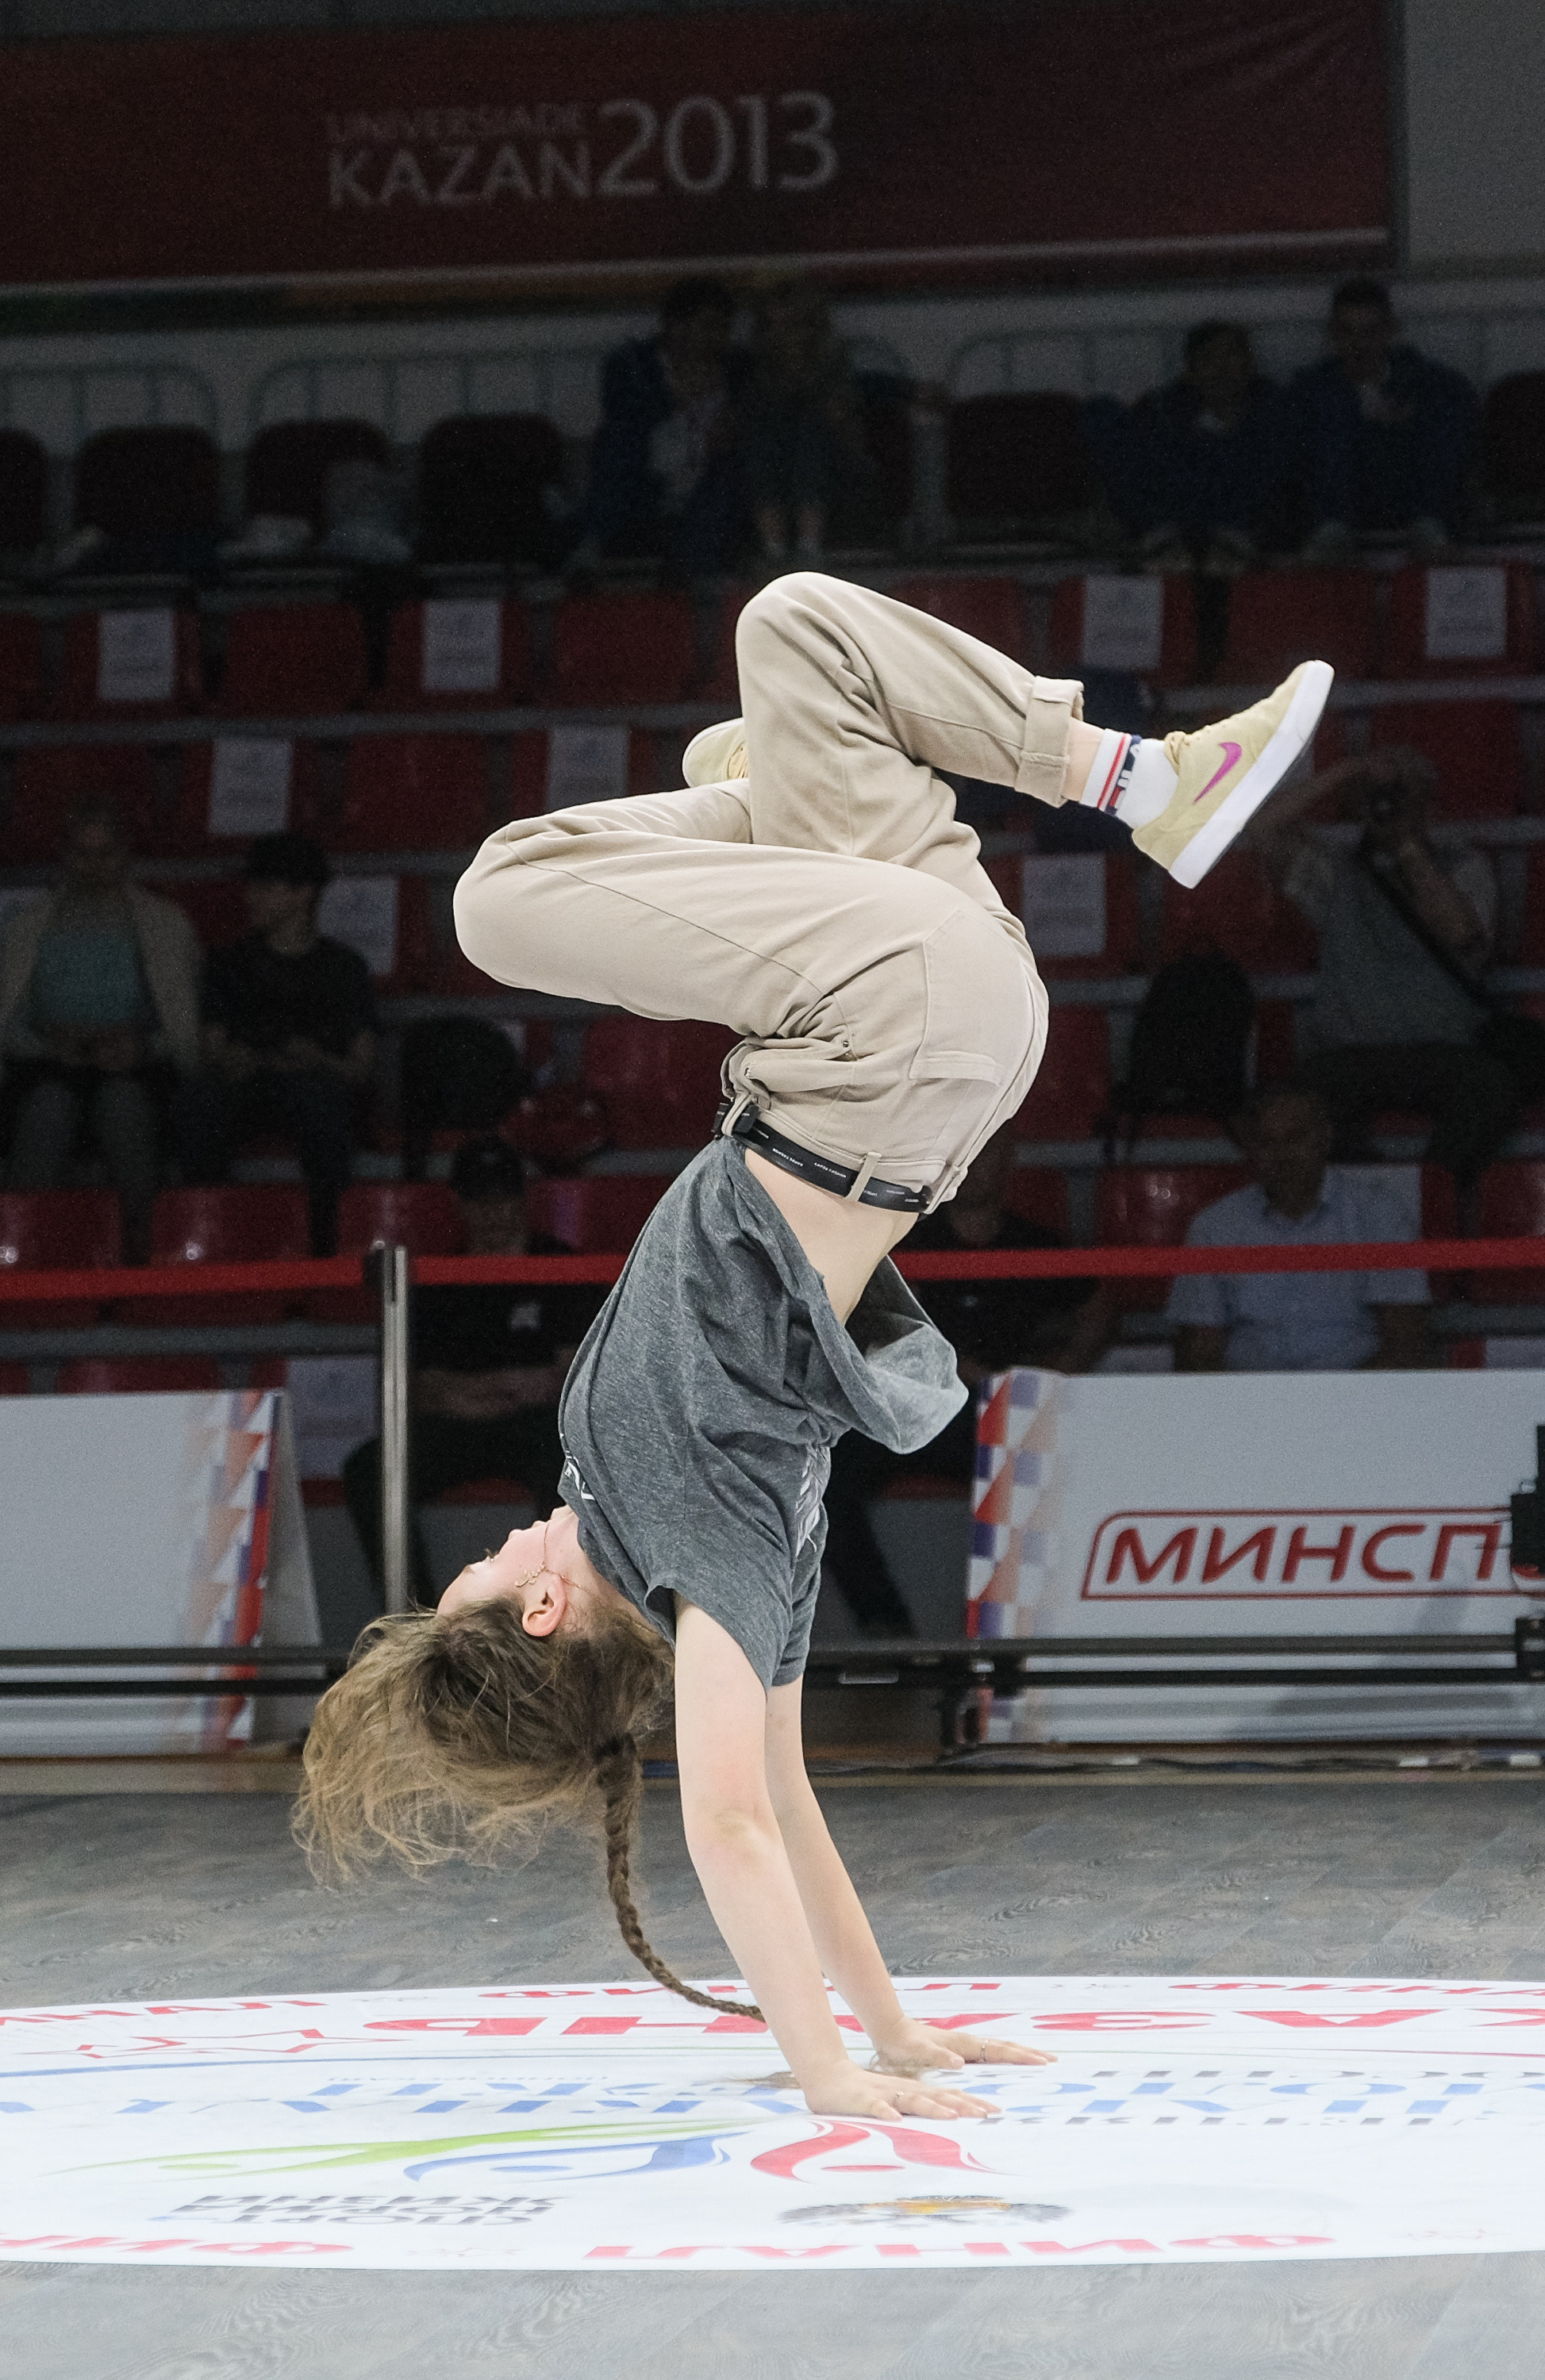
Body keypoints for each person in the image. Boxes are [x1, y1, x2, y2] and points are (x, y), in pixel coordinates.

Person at [297, 568, 1331, 2125]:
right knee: (497, 896)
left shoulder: (660, 1523)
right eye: (498, 1568)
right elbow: (734, 1819)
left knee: (797, 643)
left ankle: (1140, 781)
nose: (509, 1533)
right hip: (886, 1038)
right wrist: (833, 2073)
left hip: (926, 1033)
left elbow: (783, 1796)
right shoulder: (701, 1542)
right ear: (545, 1614)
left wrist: (899, 2035)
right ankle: (800, 795)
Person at [823, 1124, 1111, 1629]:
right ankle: (887, 1629)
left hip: (1005, 1415)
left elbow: (1102, 1307)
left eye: (990, 1154)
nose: (977, 1167)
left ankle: (992, 1641)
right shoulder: (908, 1242)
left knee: (1052, 1482)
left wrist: (1049, 1380)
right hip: (916, 1409)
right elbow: (857, 1318)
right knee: (830, 1479)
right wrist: (942, 1364)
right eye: (968, 1155)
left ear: (1009, 1162)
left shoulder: (1033, 1243)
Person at [341, 1136, 603, 1606]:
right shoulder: (442, 1277)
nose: (493, 1210)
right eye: (480, 1198)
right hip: (458, 1425)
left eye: (503, 1196)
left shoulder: (559, 1265)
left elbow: (567, 1377)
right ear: (461, 1203)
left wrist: (486, 1390)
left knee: (572, 1460)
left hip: (537, 1427)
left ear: (521, 1198)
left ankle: (559, 1607)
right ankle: (411, 1618)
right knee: (368, 1469)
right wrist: (501, 1387)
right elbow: (422, 1389)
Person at [1246, 745, 1516, 1186]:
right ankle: (1372, 1197)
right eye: (1376, 796)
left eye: (1400, 794)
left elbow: (1460, 935)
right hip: (1351, 1054)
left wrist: (1406, 846)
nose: (1387, 803)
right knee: (1305, 1098)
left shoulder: (1464, 866)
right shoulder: (1338, 871)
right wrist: (1347, 772)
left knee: (1491, 1087)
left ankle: (1433, 1193)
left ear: (1428, 805)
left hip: (1441, 1049)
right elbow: (1261, 827)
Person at [0, 797, 201, 1261]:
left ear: (125, 855)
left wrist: (142, 1047)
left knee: (124, 1104)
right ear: (65, 856)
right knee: (48, 1107)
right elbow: (6, 1024)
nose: (94, 866)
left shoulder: (166, 925)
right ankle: (19, 1248)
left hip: (138, 1067)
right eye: (82, 854)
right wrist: (48, 1044)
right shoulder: (26, 929)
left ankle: (145, 1252)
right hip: (47, 1065)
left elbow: (186, 1025)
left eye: (106, 854)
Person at [171, 831, 377, 1257]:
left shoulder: (343, 968)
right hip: (244, 1088)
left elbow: (361, 1067)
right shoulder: (229, 962)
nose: (251, 898)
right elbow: (211, 1049)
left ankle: (327, 1249)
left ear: (304, 893)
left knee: (322, 1107)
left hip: (315, 1088)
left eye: (265, 887)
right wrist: (234, 1059)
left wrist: (317, 1059)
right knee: (198, 1104)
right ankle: (211, 1238)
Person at [1169, 1082, 1430, 1372]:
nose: (1282, 1155)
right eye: (1266, 1142)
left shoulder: (1380, 1215)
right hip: (1249, 1403)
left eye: (1295, 1139)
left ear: (1324, 1139)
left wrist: (1338, 1404)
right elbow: (1199, 1351)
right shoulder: (1215, 1225)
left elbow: (1405, 1343)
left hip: (1356, 1400)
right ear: (1249, 1150)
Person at [575, 277, 752, 578]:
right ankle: (590, 548)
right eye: (708, 326)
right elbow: (628, 418)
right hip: (647, 481)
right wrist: (679, 395)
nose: (717, 338)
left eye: (724, 328)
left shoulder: (738, 370)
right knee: (617, 444)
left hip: (707, 484)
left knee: (730, 474)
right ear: (675, 326)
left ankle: (692, 576)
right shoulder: (633, 364)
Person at [1083, 321, 1296, 573]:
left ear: (1250, 364)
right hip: (1175, 528)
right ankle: (1163, 539)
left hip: (1246, 530)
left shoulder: (1278, 412)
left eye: (1231, 355)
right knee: (1102, 411)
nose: (1222, 369)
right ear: (1191, 373)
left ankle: (1229, 539)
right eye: (1207, 359)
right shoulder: (1165, 415)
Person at [1293, 278, 1478, 559]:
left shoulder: (1433, 384)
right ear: (1332, 334)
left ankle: (1428, 524)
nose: (1359, 344)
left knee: (1442, 401)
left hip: (1411, 492)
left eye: (1370, 331)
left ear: (1390, 330)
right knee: (1329, 407)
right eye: (1347, 332)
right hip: (1344, 500)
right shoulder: (1310, 390)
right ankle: (1333, 530)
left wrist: (1403, 427)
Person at [741, 278, 878, 569]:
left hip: (835, 478)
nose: (782, 336)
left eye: (792, 326)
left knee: (809, 434)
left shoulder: (834, 367)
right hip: (771, 477)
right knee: (766, 436)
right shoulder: (751, 372)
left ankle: (809, 548)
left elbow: (843, 423)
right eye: (772, 327)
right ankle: (774, 549)